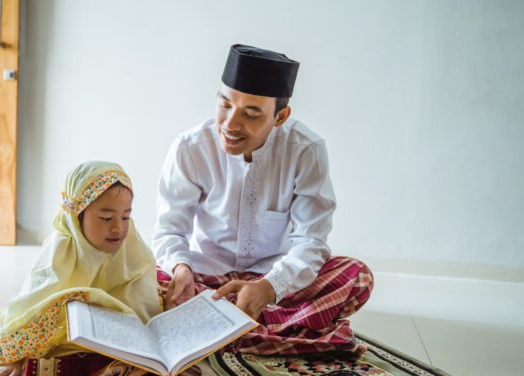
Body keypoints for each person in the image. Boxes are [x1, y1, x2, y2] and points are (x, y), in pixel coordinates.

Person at [153, 44, 373, 356]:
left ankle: (223, 331)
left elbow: (312, 242)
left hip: (272, 280)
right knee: (149, 280)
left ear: (280, 116)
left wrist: (269, 288)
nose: (230, 124)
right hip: (205, 277)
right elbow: (169, 231)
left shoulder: (305, 149)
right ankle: (296, 334)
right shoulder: (189, 148)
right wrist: (180, 270)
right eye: (225, 105)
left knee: (357, 275)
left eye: (251, 113)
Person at [0, 161, 162, 376]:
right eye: (106, 218)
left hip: (105, 316)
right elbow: (33, 303)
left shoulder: (130, 242)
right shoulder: (61, 248)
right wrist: (14, 357)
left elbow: (142, 287)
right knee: (44, 323)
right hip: (70, 315)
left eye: (125, 217)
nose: (118, 229)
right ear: (77, 215)